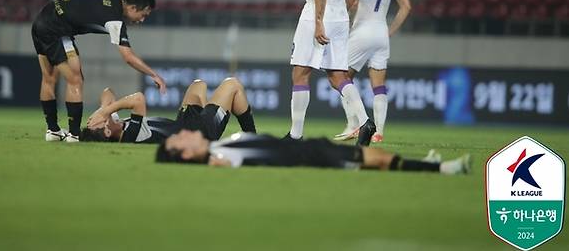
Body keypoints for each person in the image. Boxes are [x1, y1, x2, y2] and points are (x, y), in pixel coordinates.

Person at [31, 0, 167, 143]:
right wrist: (154, 74)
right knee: (76, 80)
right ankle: (74, 135)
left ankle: (53, 130)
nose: (141, 20)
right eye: (143, 15)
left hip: (41, 20)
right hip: (56, 30)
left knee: (48, 78)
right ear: (132, 7)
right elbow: (128, 57)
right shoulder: (115, 19)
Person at [287, 0, 375, 145]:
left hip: (318, 15)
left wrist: (318, 21)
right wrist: (341, 12)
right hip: (339, 18)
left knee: (300, 73)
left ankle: (295, 135)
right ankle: (366, 121)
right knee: (338, 76)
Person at [334, 0, 411, 142]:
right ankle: (379, 132)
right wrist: (391, 31)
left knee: (340, 76)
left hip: (362, 31)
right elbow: (406, 6)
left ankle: (354, 124)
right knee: (378, 84)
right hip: (381, 33)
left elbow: (351, 1)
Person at [155, 129, 471, 175]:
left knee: (380, 156)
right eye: (178, 140)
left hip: (308, 146)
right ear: (184, 155)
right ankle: (443, 170)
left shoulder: (219, 144)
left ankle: (428, 165)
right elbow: (227, 165)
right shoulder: (218, 156)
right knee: (380, 161)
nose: (183, 132)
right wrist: (213, 164)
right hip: (309, 157)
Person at [80, 77, 256, 143]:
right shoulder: (130, 134)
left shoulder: (115, 124)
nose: (107, 116)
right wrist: (105, 112)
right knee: (233, 84)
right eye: (103, 121)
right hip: (199, 134)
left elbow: (107, 92)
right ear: (108, 131)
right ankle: (253, 138)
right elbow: (138, 99)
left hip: (183, 125)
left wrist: (103, 109)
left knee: (198, 85)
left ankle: (211, 114)